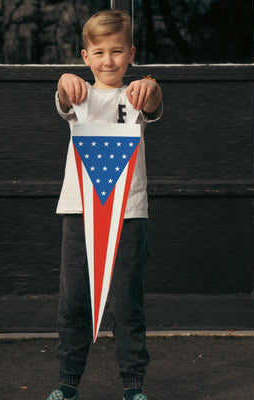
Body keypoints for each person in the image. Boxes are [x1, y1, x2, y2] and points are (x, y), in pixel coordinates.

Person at [48, 9, 163, 400]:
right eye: (99, 52)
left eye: (117, 52)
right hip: (79, 210)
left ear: (131, 54)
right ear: (85, 57)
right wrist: (65, 82)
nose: (108, 60)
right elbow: (65, 98)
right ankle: (67, 384)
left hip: (129, 212)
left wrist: (151, 84)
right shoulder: (79, 91)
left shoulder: (137, 93)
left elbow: (153, 100)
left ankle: (134, 386)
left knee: (128, 303)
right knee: (74, 300)